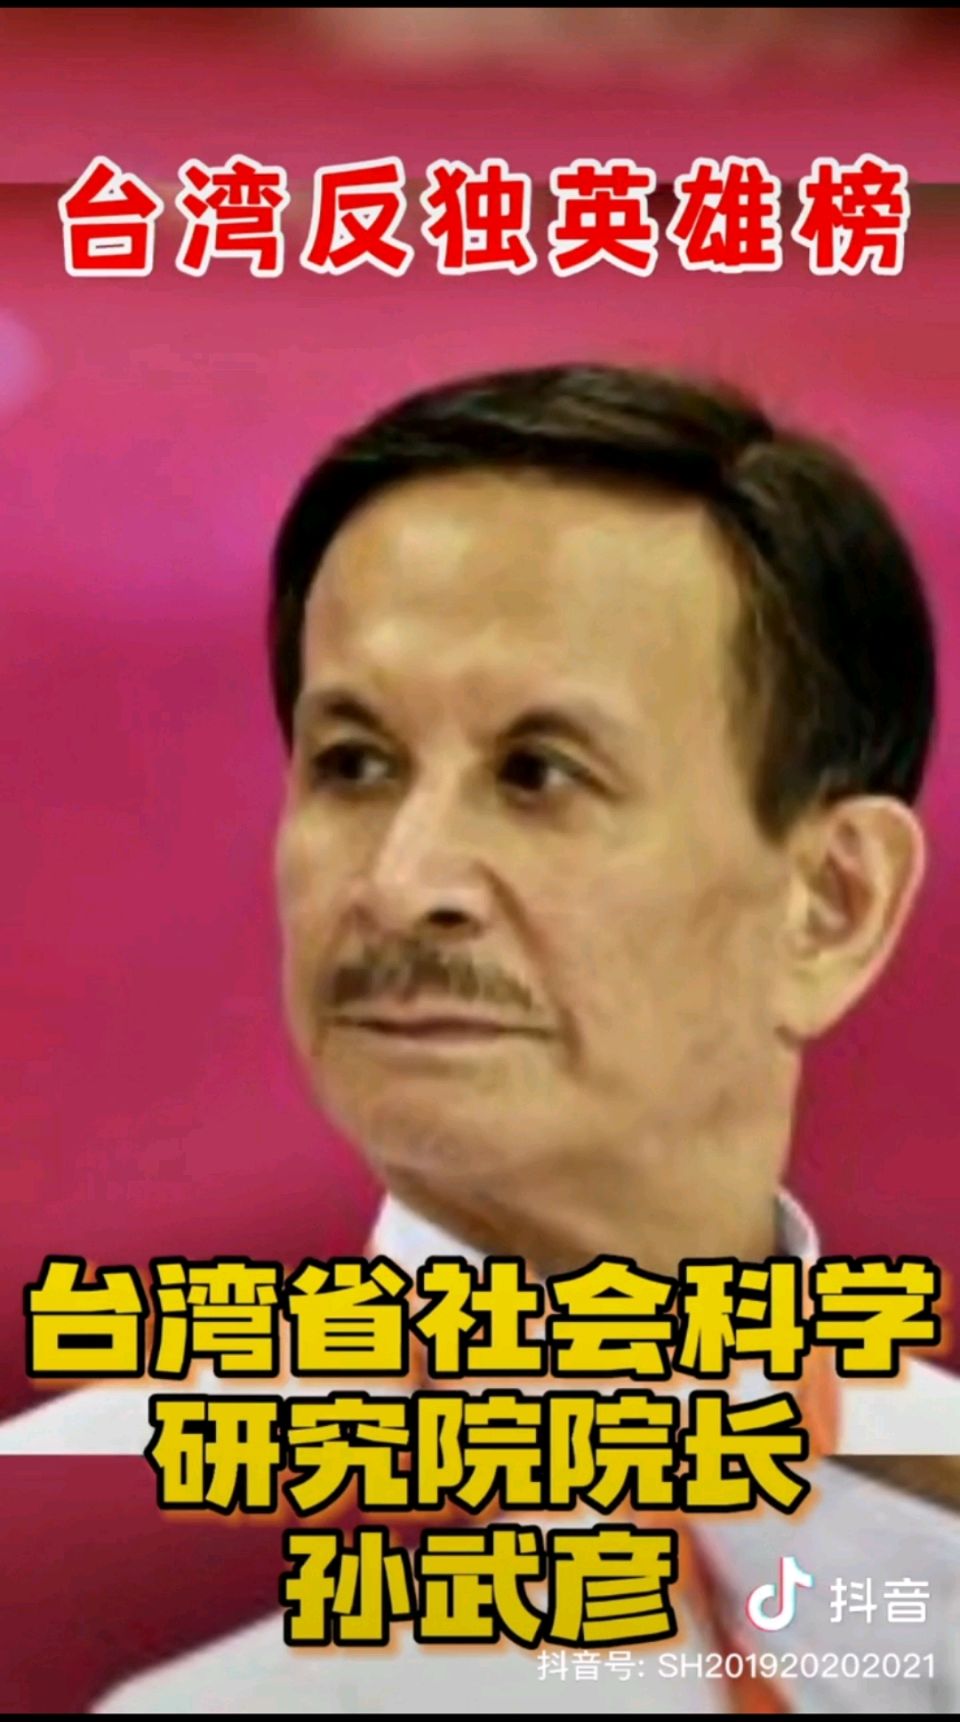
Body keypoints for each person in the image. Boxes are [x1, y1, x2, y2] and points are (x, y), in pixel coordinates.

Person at [5, 365, 960, 1713]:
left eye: (537, 772)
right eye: (354, 762)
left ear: (831, 906)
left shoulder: (930, 1536)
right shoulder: (73, 1557)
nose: (401, 882)